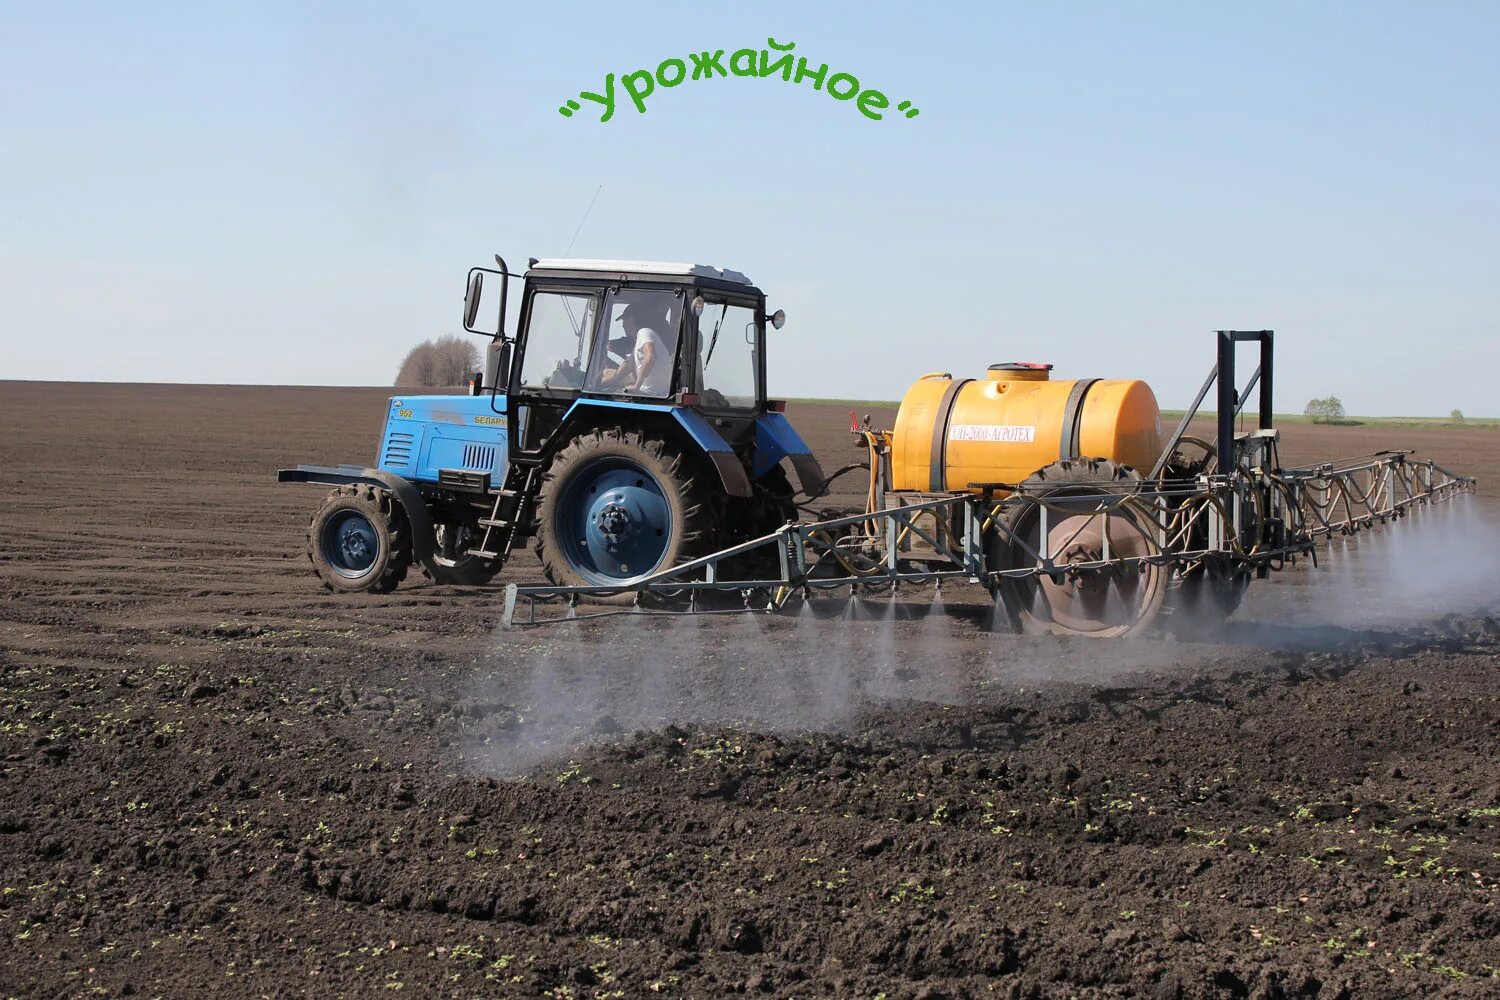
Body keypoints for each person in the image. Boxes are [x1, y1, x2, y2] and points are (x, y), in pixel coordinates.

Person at [601, 301, 673, 395]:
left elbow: (650, 357)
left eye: (626, 323)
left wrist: (637, 386)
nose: (624, 327)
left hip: (650, 393)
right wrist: (611, 379)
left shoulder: (644, 332)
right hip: (652, 392)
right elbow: (628, 365)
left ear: (636, 321)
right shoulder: (640, 342)